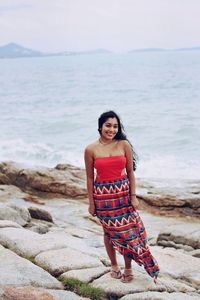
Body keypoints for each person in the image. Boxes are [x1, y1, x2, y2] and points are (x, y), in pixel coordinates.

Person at [84, 110, 159, 283]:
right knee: (109, 233)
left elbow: (130, 172)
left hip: (123, 196)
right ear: (100, 126)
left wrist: (133, 196)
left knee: (129, 234)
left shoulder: (124, 144)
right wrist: (91, 203)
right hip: (103, 198)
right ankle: (114, 266)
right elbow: (89, 177)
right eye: (108, 126)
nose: (111, 129)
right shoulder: (90, 149)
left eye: (115, 126)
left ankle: (128, 268)